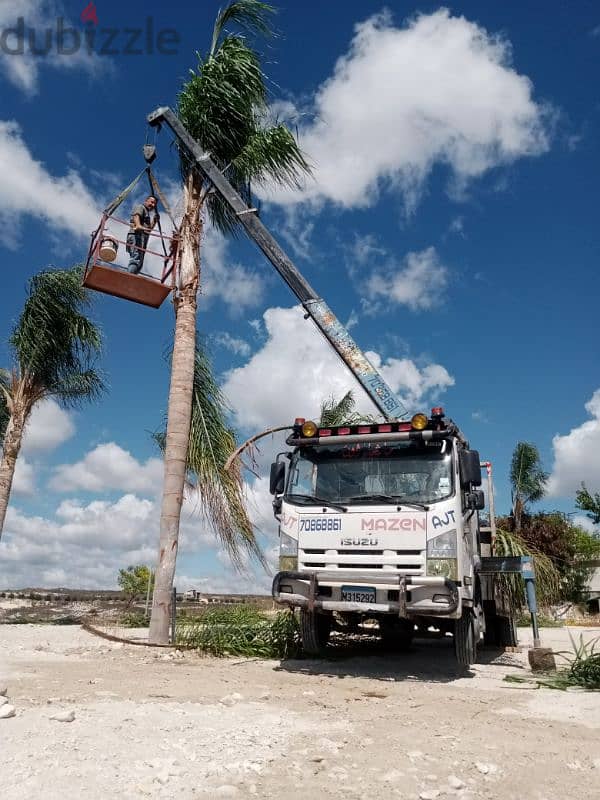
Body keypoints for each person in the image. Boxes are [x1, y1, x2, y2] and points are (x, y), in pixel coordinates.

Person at [126, 195, 157, 274]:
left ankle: (131, 277)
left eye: (154, 204)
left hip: (142, 239)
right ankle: (128, 278)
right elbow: (136, 215)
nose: (153, 205)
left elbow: (148, 230)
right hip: (136, 235)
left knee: (139, 264)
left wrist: (155, 221)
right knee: (136, 259)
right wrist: (138, 225)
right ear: (146, 201)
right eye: (152, 202)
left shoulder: (147, 215)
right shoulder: (141, 207)